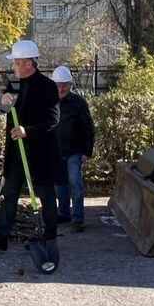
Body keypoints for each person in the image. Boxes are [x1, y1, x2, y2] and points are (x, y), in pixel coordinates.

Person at [0, 40, 61, 251]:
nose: (13, 66)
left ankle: (49, 236)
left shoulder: (47, 87)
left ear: (28, 63)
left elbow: (53, 120)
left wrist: (27, 131)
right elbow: (0, 110)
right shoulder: (13, 85)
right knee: (10, 194)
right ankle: (1, 238)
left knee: (46, 195)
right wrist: (2, 101)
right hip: (16, 154)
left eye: (16, 62)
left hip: (39, 154)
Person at [51, 65, 94, 232]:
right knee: (60, 185)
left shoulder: (78, 103)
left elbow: (88, 127)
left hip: (75, 151)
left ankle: (78, 219)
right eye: (58, 84)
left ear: (70, 85)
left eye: (64, 84)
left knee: (75, 183)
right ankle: (63, 214)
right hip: (56, 152)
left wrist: (87, 151)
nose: (61, 88)